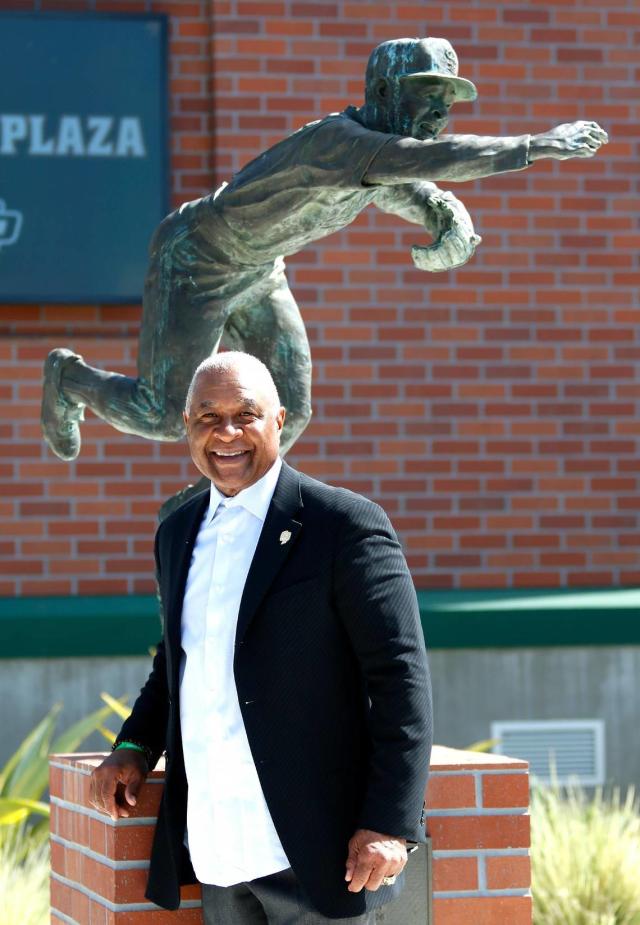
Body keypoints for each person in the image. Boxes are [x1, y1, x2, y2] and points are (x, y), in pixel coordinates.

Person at [42, 36, 608, 469]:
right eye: (426, 97)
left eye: (446, 104)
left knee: (289, 410)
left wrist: (441, 212)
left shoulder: (372, 156)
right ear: (384, 94)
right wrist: (535, 145)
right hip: (197, 261)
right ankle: (71, 380)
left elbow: (403, 181)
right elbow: (417, 163)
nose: (439, 115)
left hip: (260, 270)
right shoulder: (337, 143)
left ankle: (224, 501)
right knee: (164, 415)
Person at [89, 351, 433, 923]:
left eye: (245, 415)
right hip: (219, 845)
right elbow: (178, 660)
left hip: (320, 852)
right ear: (186, 426)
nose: (226, 433)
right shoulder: (177, 532)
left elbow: (401, 676)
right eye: (207, 417)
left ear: (281, 420)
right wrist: (133, 747)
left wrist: (391, 822)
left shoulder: (343, 524)